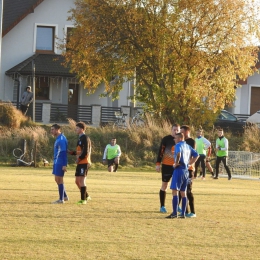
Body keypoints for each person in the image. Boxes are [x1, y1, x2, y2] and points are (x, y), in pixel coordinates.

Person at [166, 133, 199, 219]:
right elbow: (196, 155)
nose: (174, 140)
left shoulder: (178, 145)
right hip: (186, 171)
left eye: (176, 138)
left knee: (174, 191)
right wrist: (189, 164)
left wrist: (176, 163)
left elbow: (178, 154)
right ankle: (183, 213)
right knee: (183, 192)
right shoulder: (188, 146)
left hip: (179, 170)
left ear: (180, 138)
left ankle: (174, 213)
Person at [156, 124, 180, 213]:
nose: (176, 132)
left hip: (177, 166)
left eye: (177, 130)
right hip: (166, 165)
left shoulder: (181, 141)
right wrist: (158, 163)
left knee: (177, 187)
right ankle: (162, 206)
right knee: (164, 185)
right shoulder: (166, 139)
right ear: (171, 130)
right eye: (174, 130)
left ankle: (177, 205)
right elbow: (161, 152)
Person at [69, 122, 92, 204]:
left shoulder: (85, 138)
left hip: (85, 162)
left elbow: (86, 151)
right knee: (77, 181)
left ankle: (83, 200)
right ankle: (87, 196)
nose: (75, 129)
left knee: (82, 181)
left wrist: (79, 159)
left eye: (77, 128)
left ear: (82, 129)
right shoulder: (80, 138)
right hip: (80, 162)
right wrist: (72, 153)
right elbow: (80, 151)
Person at [179, 125, 197, 217]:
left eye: (182, 131)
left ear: (187, 132)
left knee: (188, 191)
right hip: (181, 169)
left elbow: (194, 155)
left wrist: (189, 164)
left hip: (189, 170)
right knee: (182, 190)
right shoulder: (181, 141)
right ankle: (185, 211)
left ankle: (193, 212)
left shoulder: (191, 142)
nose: (180, 133)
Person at [50, 124, 69, 204]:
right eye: (51, 129)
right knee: (57, 179)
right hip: (56, 161)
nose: (51, 131)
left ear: (58, 129)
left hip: (60, 162)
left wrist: (64, 165)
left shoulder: (61, 139)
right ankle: (64, 196)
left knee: (59, 179)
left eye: (53, 129)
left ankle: (61, 199)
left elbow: (64, 152)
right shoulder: (58, 138)